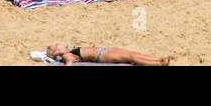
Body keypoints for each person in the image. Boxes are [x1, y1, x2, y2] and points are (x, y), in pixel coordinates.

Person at [45, 43, 173, 66]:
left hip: (104, 50)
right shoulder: (66, 56)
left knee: (133, 53)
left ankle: (159, 59)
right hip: (102, 56)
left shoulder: (69, 50)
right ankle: (158, 64)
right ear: (57, 52)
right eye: (56, 46)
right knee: (131, 57)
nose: (59, 44)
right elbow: (69, 63)